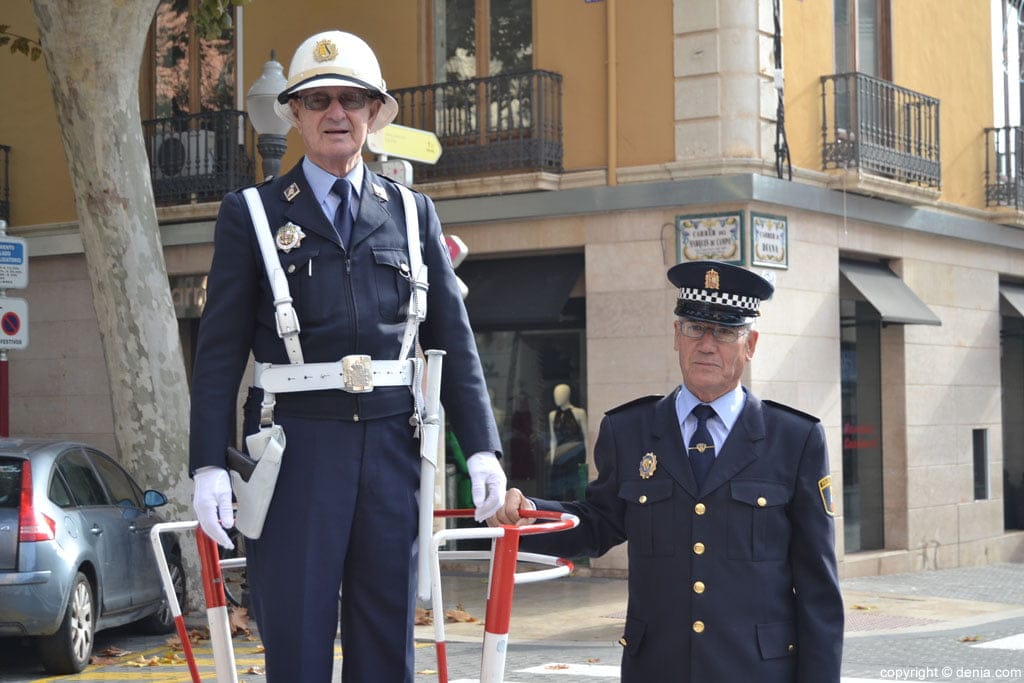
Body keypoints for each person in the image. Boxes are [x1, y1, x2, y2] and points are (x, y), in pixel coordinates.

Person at [188, 30, 506, 683]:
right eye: (320, 100)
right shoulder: (251, 214)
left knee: (387, 644)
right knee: (297, 641)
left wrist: (483, 450)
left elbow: (454, 336)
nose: (338, 113)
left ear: (374, 113)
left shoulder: (413, 215)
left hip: (392, 448)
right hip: (293, 452)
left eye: (353, 100)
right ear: (296, 116)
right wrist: (206, 466)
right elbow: (219, 352)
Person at [492, 260, 844, 682]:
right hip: (657, 665)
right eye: (695, 328)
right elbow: (600, 523)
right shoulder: (628, 430)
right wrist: (530, 512)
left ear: (750, 344)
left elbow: (818, 588)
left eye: (726, 332)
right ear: (677, 336)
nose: (707, 344)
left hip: (756, 670)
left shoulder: (795, 438)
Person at [547, 383, 587, 499]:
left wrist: (586, 459)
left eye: (560, 394)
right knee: (557, 489)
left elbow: (586, 438)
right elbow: (553, 439)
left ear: (567, 395)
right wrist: (553, 458)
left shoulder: (579, 413)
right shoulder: (553, 415)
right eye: (556, 395)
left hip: (575, 455)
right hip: (559, 457)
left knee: (573, 487)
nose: (557, 397)